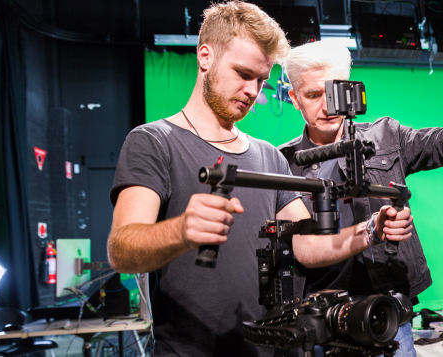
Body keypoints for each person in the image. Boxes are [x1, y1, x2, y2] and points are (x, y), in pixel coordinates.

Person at [106, 3, 413, 356]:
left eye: (262, 79)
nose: (253, 90)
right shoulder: (153, 142)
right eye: (242, 73)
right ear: (205, 56)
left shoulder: (269, 157)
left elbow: (306, 246)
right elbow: (122, 249)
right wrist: (181, 230)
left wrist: (371, 230)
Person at [277, 17, 443, 354]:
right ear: (293, 97)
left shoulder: (385, 136)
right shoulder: (282, 163)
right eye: (312, 94)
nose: (325, 105)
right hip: (320, 318)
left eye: (333, 91)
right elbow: (298, 249)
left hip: (387, 311)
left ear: (349, 87)